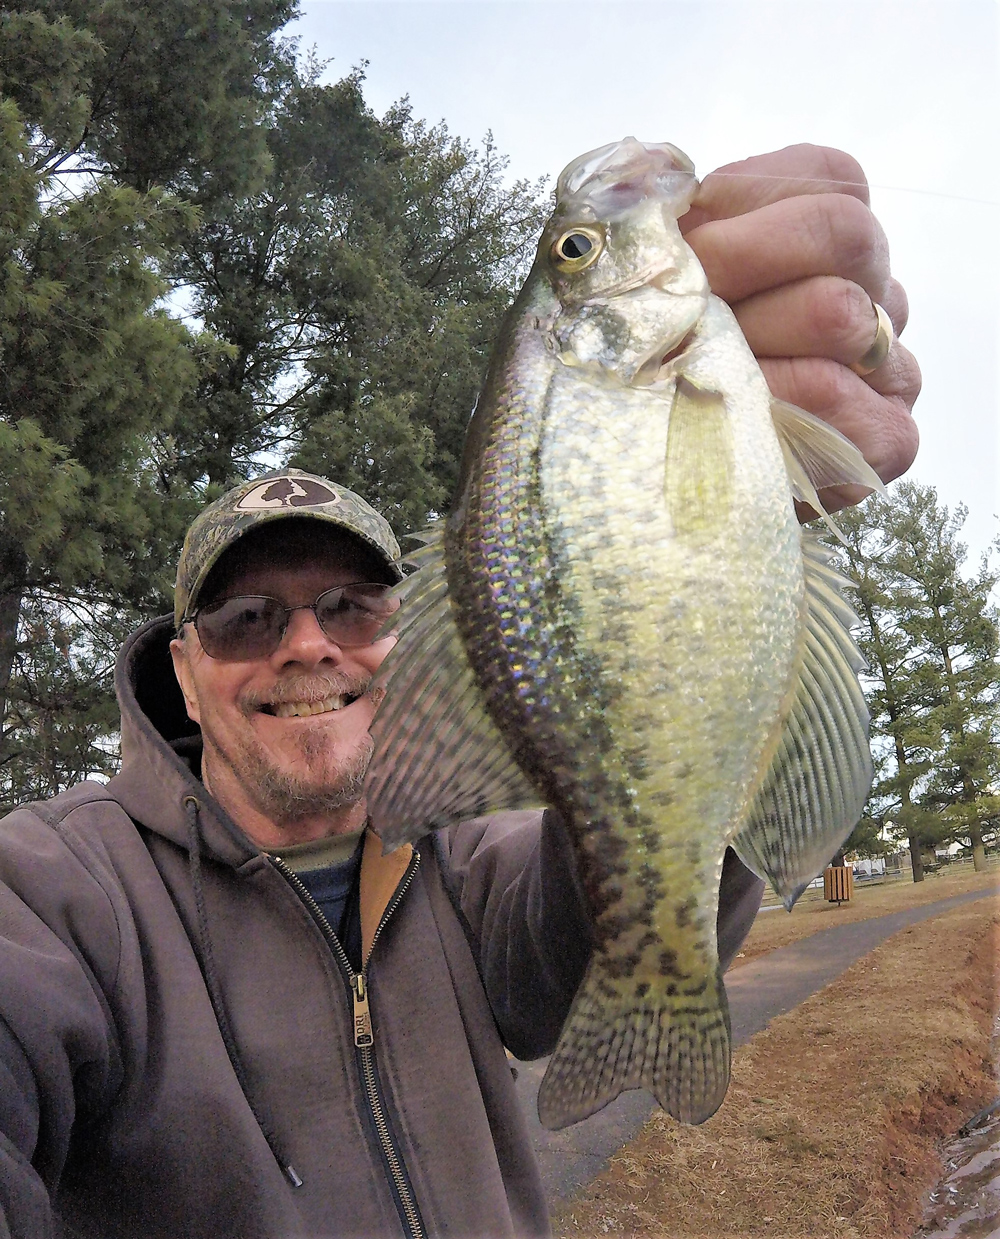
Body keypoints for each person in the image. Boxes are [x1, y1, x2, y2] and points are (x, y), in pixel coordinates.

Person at [0, 145, 920, 1239]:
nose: (308, 645)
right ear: (183, 676)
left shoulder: (464, 867)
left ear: (408, 642)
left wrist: (744, 559)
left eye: (351, 607)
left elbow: (576, 945)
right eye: (247, 618)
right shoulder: (53, 894)